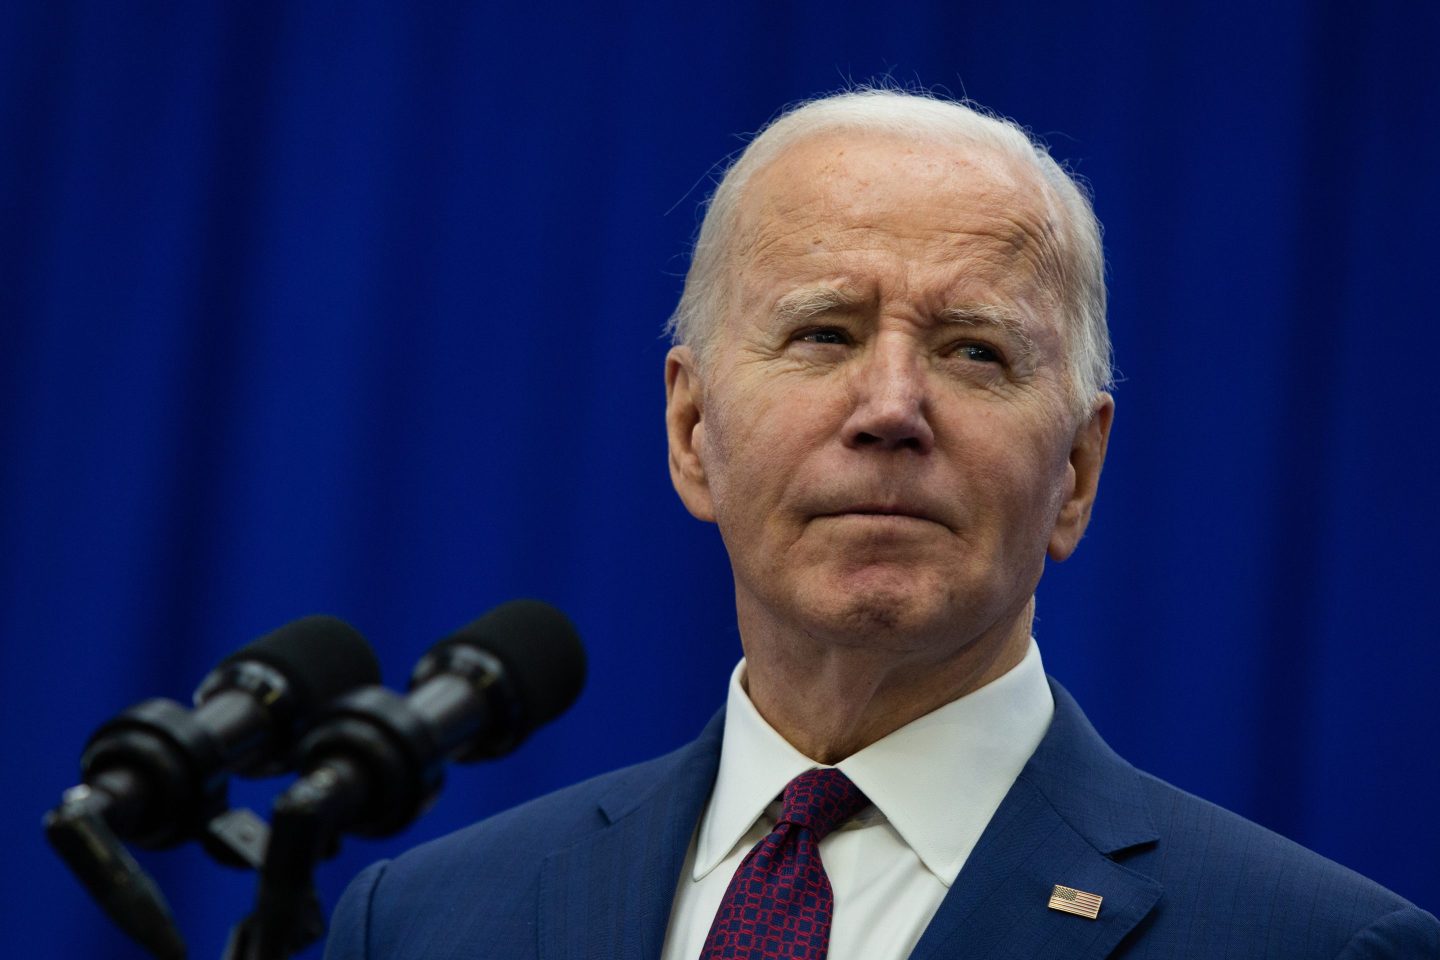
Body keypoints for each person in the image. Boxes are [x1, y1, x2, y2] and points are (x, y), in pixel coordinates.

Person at [323, 89, 1439, 959]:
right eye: (822, 333)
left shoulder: (1319, 946)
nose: (892, 408)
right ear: (691, 427)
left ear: (1079, 472)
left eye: (973, 351)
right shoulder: (424, 923)